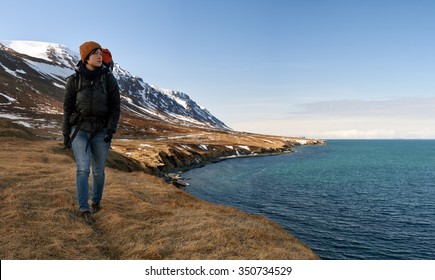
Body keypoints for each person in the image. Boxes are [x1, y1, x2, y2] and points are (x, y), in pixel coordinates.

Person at [62, 41, 120, 223]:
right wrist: (66, 133)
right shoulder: (74, 80)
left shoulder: (108, 79)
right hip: (79, 130)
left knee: (98, 171)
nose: (99, 56)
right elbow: (67, 108)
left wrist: (110, 129)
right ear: (86, 57)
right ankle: (83, 208)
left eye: (100, 53)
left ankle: (95, 201)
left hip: (101, 131)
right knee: (82, 168)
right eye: (95, 53)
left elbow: (115, 107)